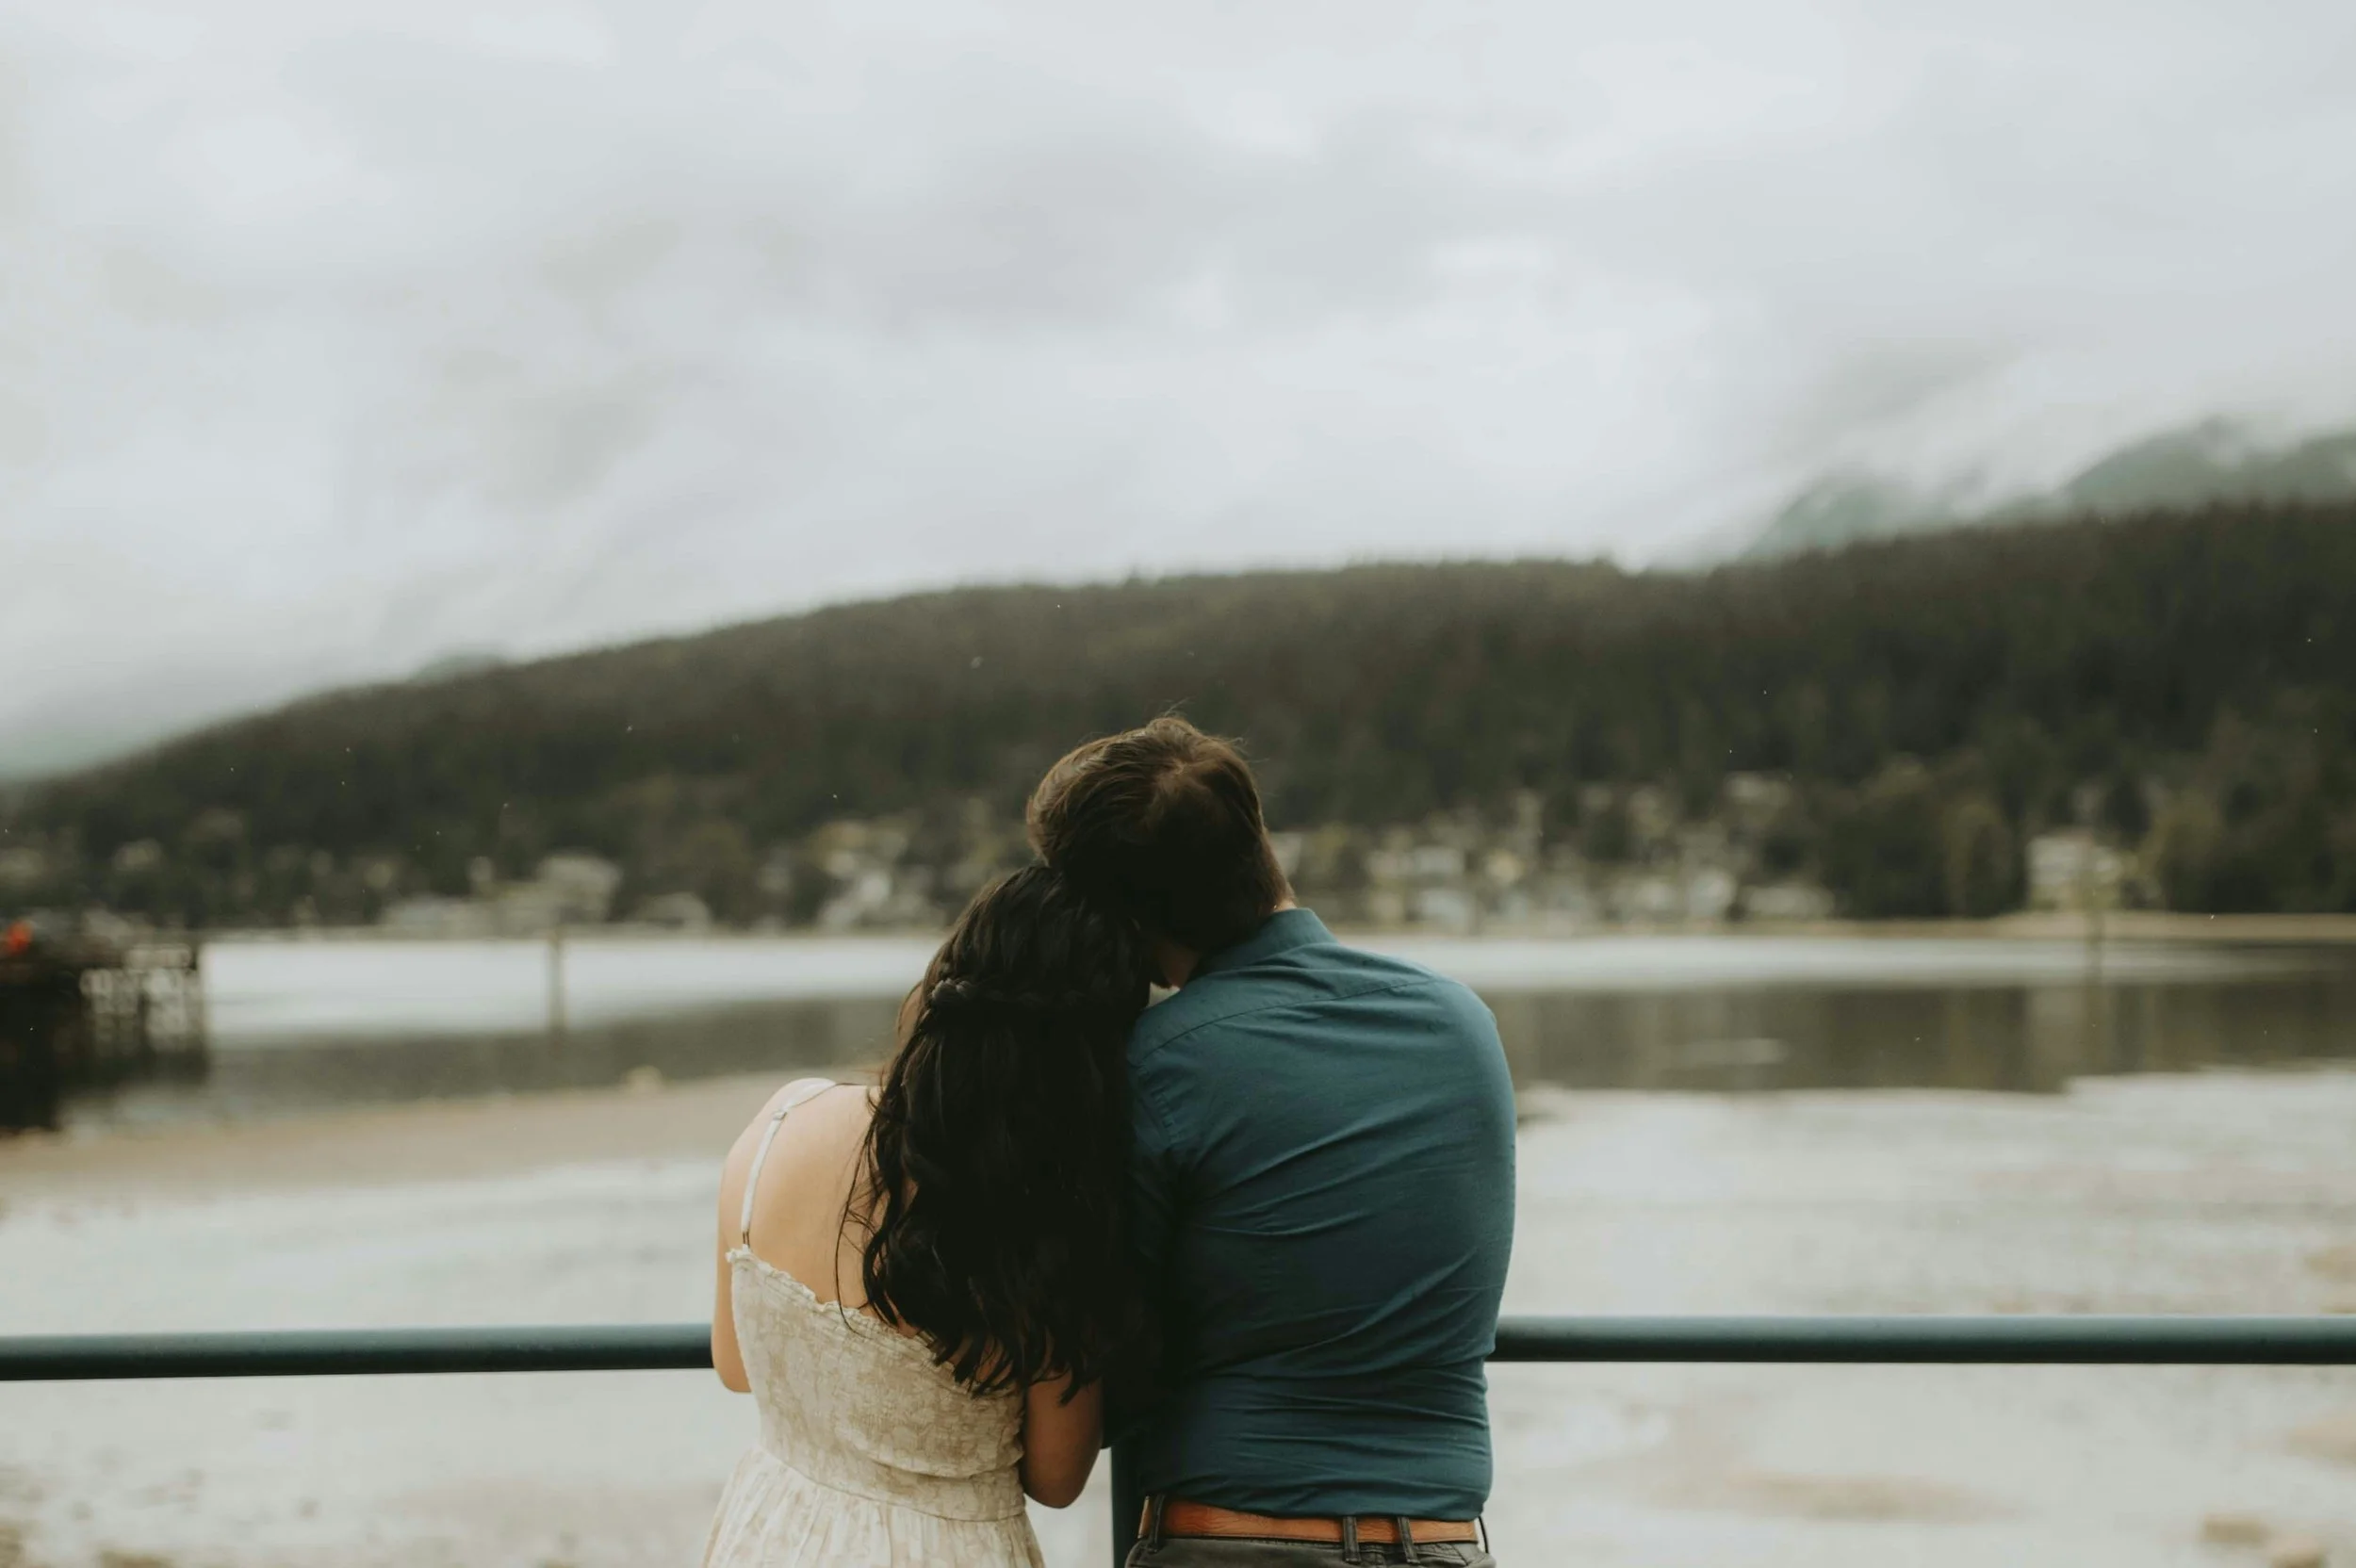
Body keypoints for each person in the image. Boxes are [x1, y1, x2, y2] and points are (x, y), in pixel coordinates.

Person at [1029, 716, 1517, 1568]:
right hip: (1442, 1541)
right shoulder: (1462, 1023)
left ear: (1117, 913)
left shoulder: (1157, 1063)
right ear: (1258, 841)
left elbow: (1104, 1360)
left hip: (1235, 1541)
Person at [702, 865, 1153, 1567]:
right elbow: (1057, 1480)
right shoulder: (1041, 1225)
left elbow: (734, 1365)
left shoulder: (780, 1121)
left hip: (773, 1535)